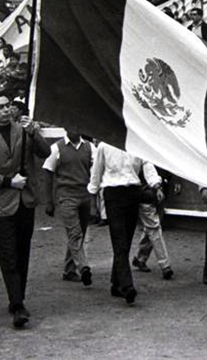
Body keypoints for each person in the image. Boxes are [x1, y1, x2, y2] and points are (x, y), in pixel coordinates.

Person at [0, 91, 50, 328]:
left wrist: (34, 132)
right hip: (1, 203)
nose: (6, 110)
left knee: (22, 252)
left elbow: (44, 153)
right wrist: (8, 181)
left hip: (25, 201)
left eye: (8, 106)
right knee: (8, 255)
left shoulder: (23, 130)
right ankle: (17, 305)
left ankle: (18, 297)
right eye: (0, 107)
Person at [88, 142, 163, 305]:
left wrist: (155, 183)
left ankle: (116, 283)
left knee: (126, 240)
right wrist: (93, 199)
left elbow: (147, 163)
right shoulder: (104, 145)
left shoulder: (135, 142)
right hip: (113, 195)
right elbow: (96, 172)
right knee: (119, 240)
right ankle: (127, 286)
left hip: (133, 194)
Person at [43, 125, 95, 286]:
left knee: (79, 233)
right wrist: (49, 201)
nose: (75, 130)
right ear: (65, 128)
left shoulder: (89, 147)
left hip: (84, 196)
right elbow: (47, 173)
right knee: (75, 233)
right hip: (66, 197)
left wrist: (94, 200)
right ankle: (84, 267)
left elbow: (95, 171)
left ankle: (69, 270)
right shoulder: (56, 148)